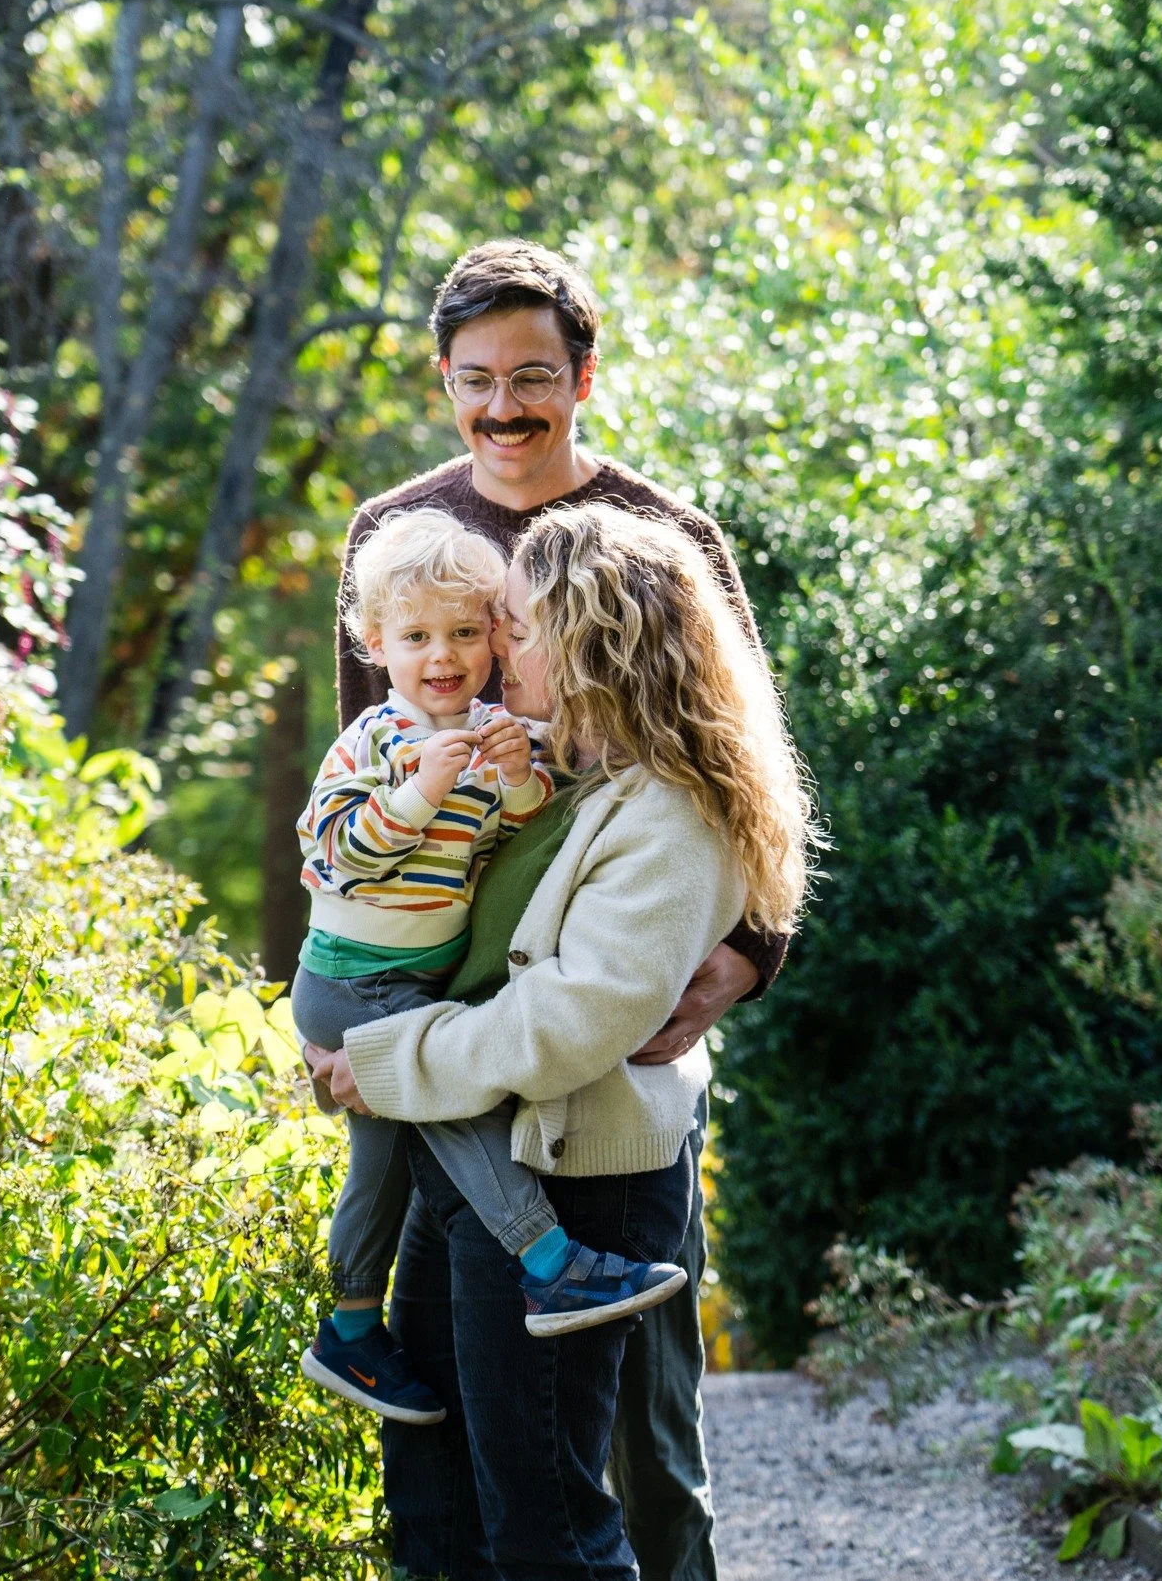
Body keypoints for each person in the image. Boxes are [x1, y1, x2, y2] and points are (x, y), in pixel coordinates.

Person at [334, 238, 788, 1581]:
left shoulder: (663, 541)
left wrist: (751, 955)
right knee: (460, 1437)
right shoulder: (394, 536)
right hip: (450, 1035)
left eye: (534, 373)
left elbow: (743, 760)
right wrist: (368, 999)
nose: (504, 406)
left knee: (634, 1437)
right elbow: (363, 769)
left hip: (591, 1050)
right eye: (476, 379)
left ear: (583, 375)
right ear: (443, 384)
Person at [291, 509, 689, 1426]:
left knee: (379, 1168)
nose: (443, 655)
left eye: (466, 632)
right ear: (375, 643)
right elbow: (337, 851)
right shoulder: (373, 741)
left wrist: (513, 774)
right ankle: (549, 1265)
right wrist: (421, 787)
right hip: (356, 977)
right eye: (416, 636)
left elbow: (513, 833)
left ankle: (351, 1325)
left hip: (416, 984)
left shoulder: (491, 728)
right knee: (457, 1106)